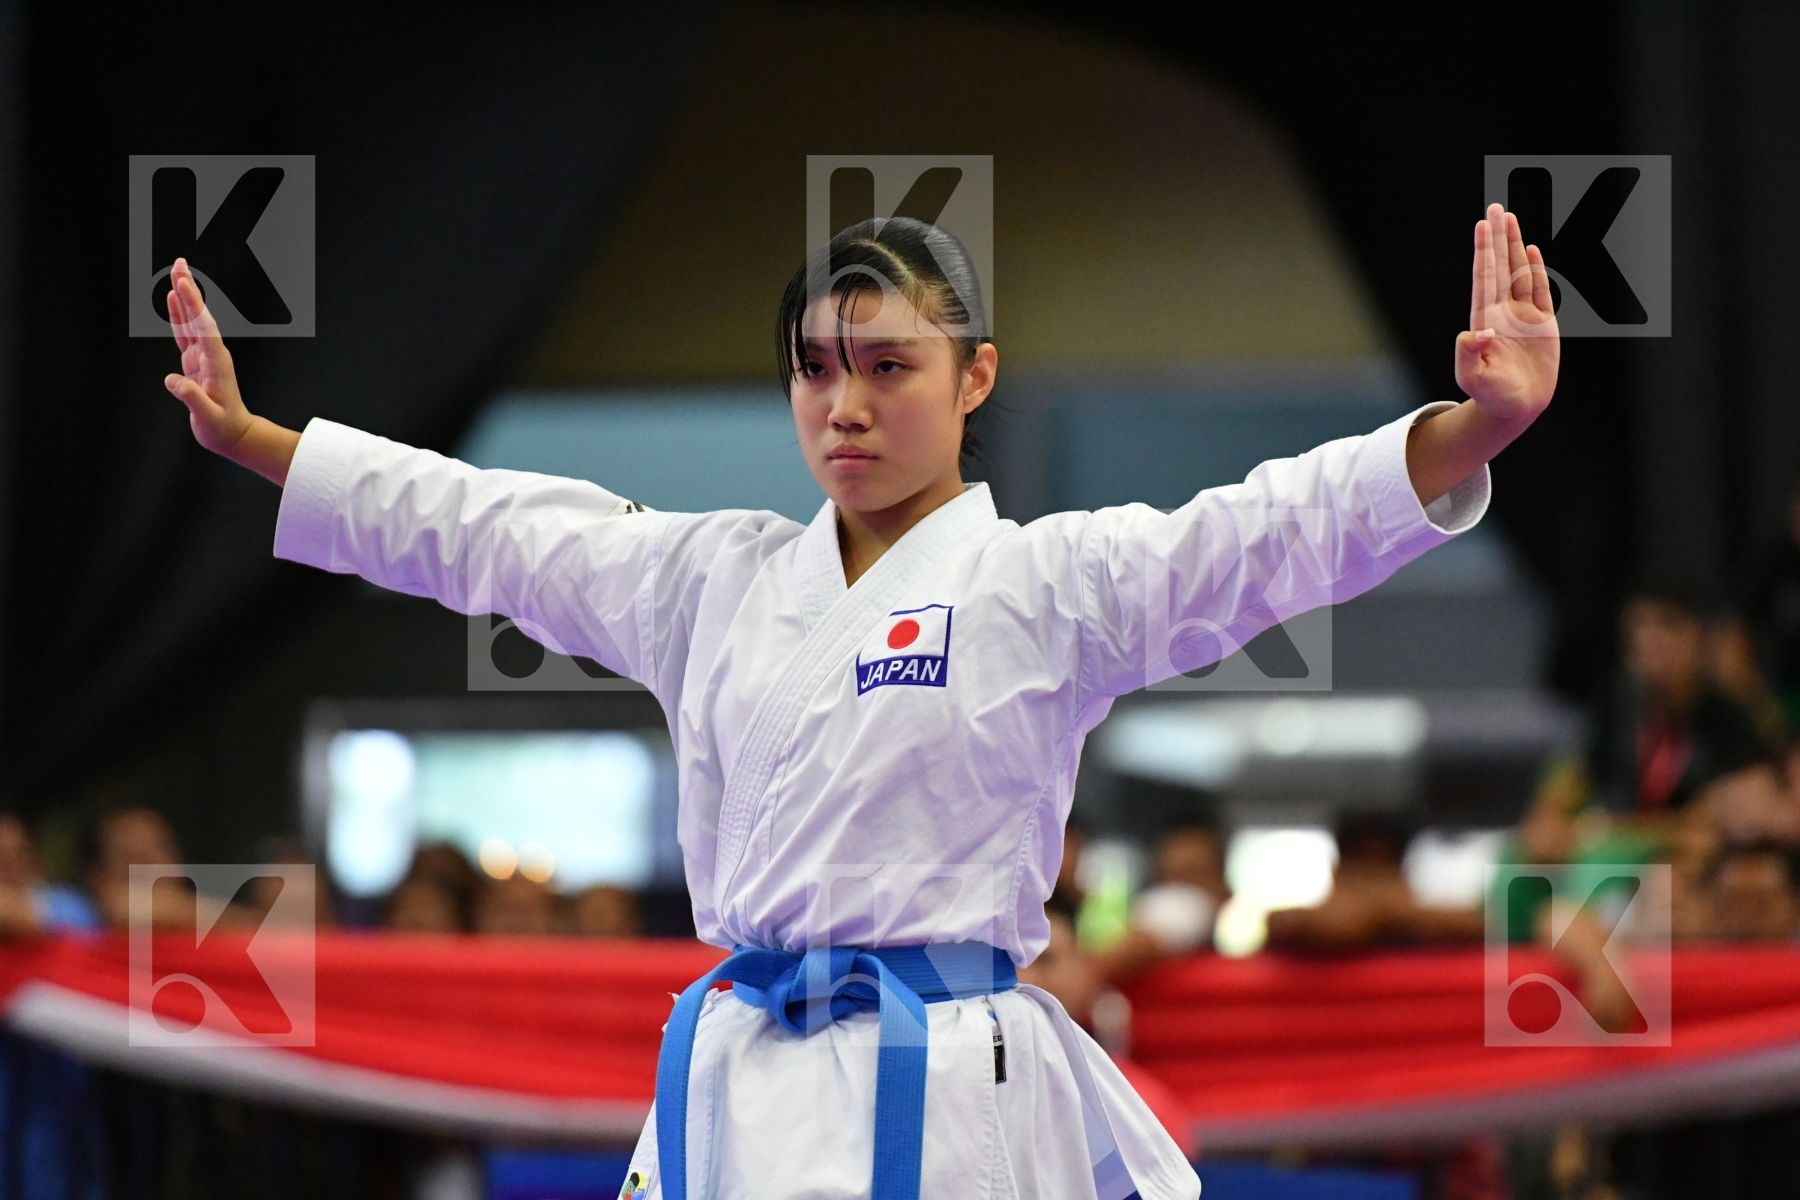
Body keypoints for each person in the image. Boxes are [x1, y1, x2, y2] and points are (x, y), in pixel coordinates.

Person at [160, 199, 1558, 1199]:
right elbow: (476, 526)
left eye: (890, 367)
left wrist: (1473, 429)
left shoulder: (1045, 583)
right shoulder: (705, 581)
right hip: (740, 1078)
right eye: (818, 368)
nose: (846, 404)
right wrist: (256, 440)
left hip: (948, 1085)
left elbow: (1266, 532)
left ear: (974, 380)